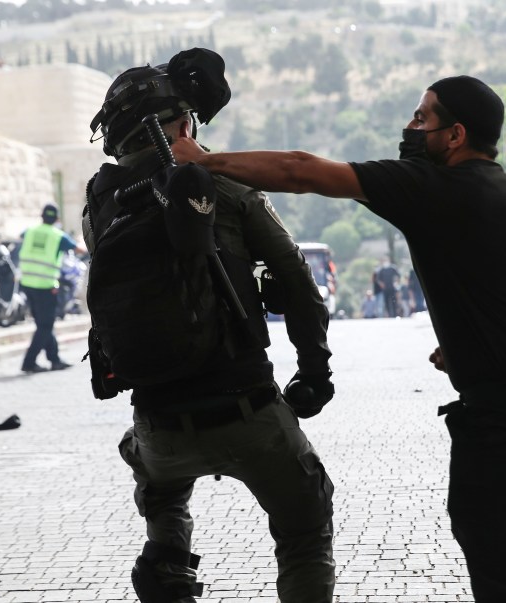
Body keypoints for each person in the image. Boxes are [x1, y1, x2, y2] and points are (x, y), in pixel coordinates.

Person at [172, 74, 506, 603]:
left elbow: (301, 171)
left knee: (503, 570)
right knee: (505, 555)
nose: (410, 128)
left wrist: (205, 162)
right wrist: (486, 341)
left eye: (421, 118)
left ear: (455, 135)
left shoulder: (429, 187)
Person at [85, 48, 336, 602]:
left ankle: (168, 565)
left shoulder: (100, 203)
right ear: (182, 124)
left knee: (161, 490)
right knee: (305, 528)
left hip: (158, 423)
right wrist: (314, 372)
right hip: (247, 409)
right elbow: (297, 281)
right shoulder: (221, 185)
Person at [18, 203, 84, 373]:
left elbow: (20, 238)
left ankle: (54, 359)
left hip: (27, 284)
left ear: (42, 216)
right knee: (46, 325)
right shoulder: (58, 236)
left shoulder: (30, 231)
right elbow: (79, 250)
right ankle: (29, 362)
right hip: (45, 286)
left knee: (43, 324)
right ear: (56, 219)